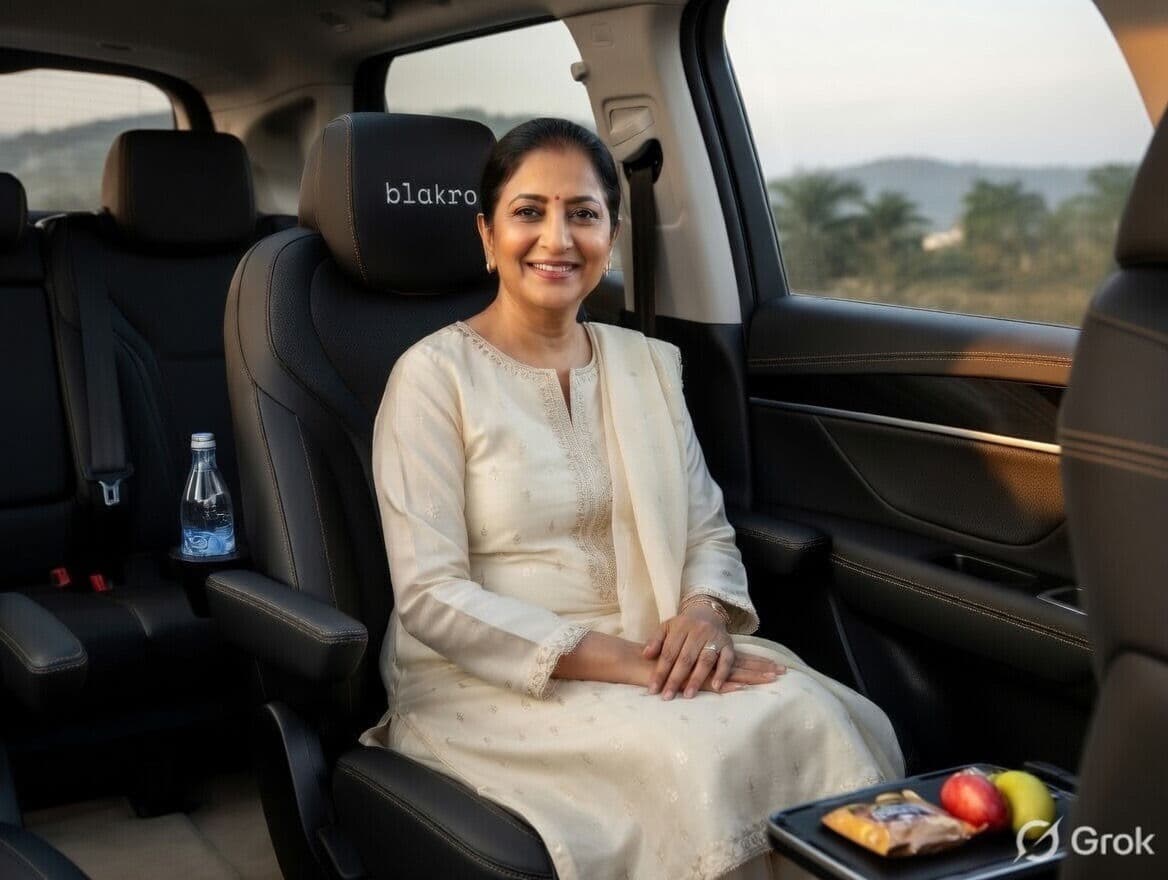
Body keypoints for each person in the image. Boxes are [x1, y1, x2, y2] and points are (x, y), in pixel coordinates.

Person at [360, 117, 904, 880]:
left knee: (827, 719)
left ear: (610, 235)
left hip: (658, 644)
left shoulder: (645, 368)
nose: (557, 238)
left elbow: (705, 530)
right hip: (494, 678)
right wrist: (627, 665)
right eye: (529, 212)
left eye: (583, 213)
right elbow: (430, 595)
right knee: (699, 755)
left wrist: (703, 615)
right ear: (487, 236)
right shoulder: (432, 378)